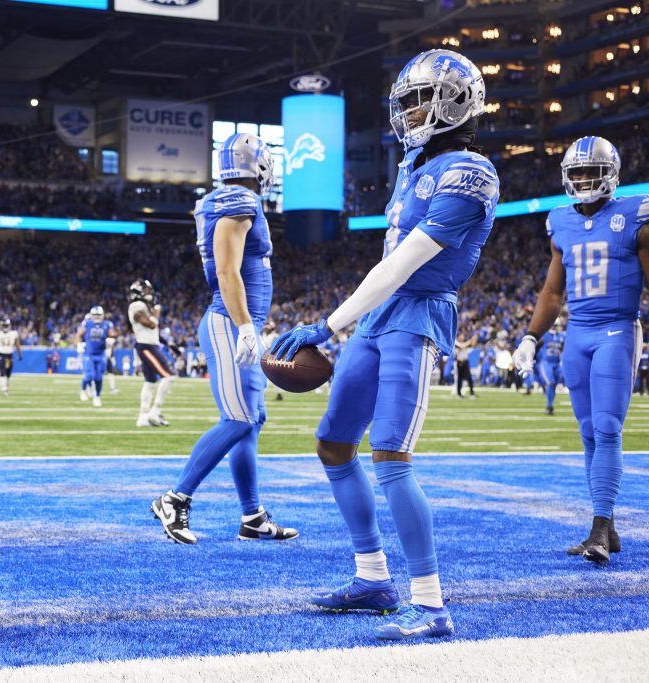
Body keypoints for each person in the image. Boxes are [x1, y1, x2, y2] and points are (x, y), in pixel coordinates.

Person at [272, 49, 496, 640]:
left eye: (421, 99)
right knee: (333, 444)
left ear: (454, 104)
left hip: (418, 314)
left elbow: (403, 264)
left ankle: (432, 605)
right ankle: (373, 578)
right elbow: (385, 269)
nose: (411, 111)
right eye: (408, 101)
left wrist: (329, 325)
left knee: (392, 455)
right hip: (380, 317)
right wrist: (347, 321)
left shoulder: (471, 171)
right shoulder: (414, 167)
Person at [152, 133, 297, 545]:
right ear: (259, 163)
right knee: (239, 419)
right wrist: (247, 326)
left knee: (252, 423)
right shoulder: (238, 200)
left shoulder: (238, 200)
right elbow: (227, 271)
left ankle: (252, 517)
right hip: (228, 322)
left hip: (239, 322)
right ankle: (174, 498)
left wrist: (252, 327)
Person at [512, 135, 648, 565]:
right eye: (578, 173)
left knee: (608, 426)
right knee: (589, 432)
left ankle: (598, 529)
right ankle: (607, 528)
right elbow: (553, 293)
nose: (586, 179)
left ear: (611, 174)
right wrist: (531, 337)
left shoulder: (635, 214)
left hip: (617, 330)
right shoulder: (560, 223)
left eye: (593, 171)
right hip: (578, 335)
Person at [128, 279, 174, 427]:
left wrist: (169, 344)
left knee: (150, 382)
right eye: (147, 290)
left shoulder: (142, 305)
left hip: (148, 345)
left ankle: (142, 417)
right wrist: (157, 309)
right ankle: (155, 410)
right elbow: (151, 323)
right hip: (147, 346)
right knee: (168, 376)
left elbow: (152, 330)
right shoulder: (137, 306)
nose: (149, 293)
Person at [76, 305, 116, 407]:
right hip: (89, 354)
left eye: (99, 315)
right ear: (91, 315)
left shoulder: (107, 324)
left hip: (101, 354)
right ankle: (83, 390)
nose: (97, 317)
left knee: (99, 378)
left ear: (102, 315)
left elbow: (113, 335)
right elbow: (79, 335)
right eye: (95, 315)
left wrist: (111, 340)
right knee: (89, 375)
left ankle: (97, 396)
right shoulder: (87, 324)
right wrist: (79, 344)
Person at [536, 320, 565, 415]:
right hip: (546, 363)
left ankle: (550, 405)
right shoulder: (544, 335)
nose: (554, 326)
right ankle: (549, 406)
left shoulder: (561, 336)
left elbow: (563, 349)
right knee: (550, 383)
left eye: (555, 325)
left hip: (556, 364)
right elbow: (536, 347)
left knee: (555, 384)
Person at [0, 318, 23, 396]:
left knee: (8, 373)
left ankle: (6, 387)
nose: (5, 326)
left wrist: (19, 353)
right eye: (4, 325)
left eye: (6, 325)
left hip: (9, 355)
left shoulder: (13, 333)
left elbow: (17, 344)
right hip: (1, 354)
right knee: (2, 371)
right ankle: (3, 389)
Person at [260, 319, 283, 400]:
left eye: (268, 328)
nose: (266, 329)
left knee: (275, 377)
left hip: (273, 357)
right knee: (263, 376)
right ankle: (262, 393)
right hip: (264, 357)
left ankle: (279, 393)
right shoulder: (263, 335)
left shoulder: (275, 336)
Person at [454, 328, 477, 398]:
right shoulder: (456, 343)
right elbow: (462, 346)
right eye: (461, 336)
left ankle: (472, 393)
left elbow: (473, 344)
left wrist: (474, 338)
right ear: (458, 337)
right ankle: (459, 394)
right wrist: (470, 340)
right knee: (459, 379)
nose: (462, 337)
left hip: (465, 362)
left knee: (469, 378)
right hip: (459, 363)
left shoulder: (465, 342)